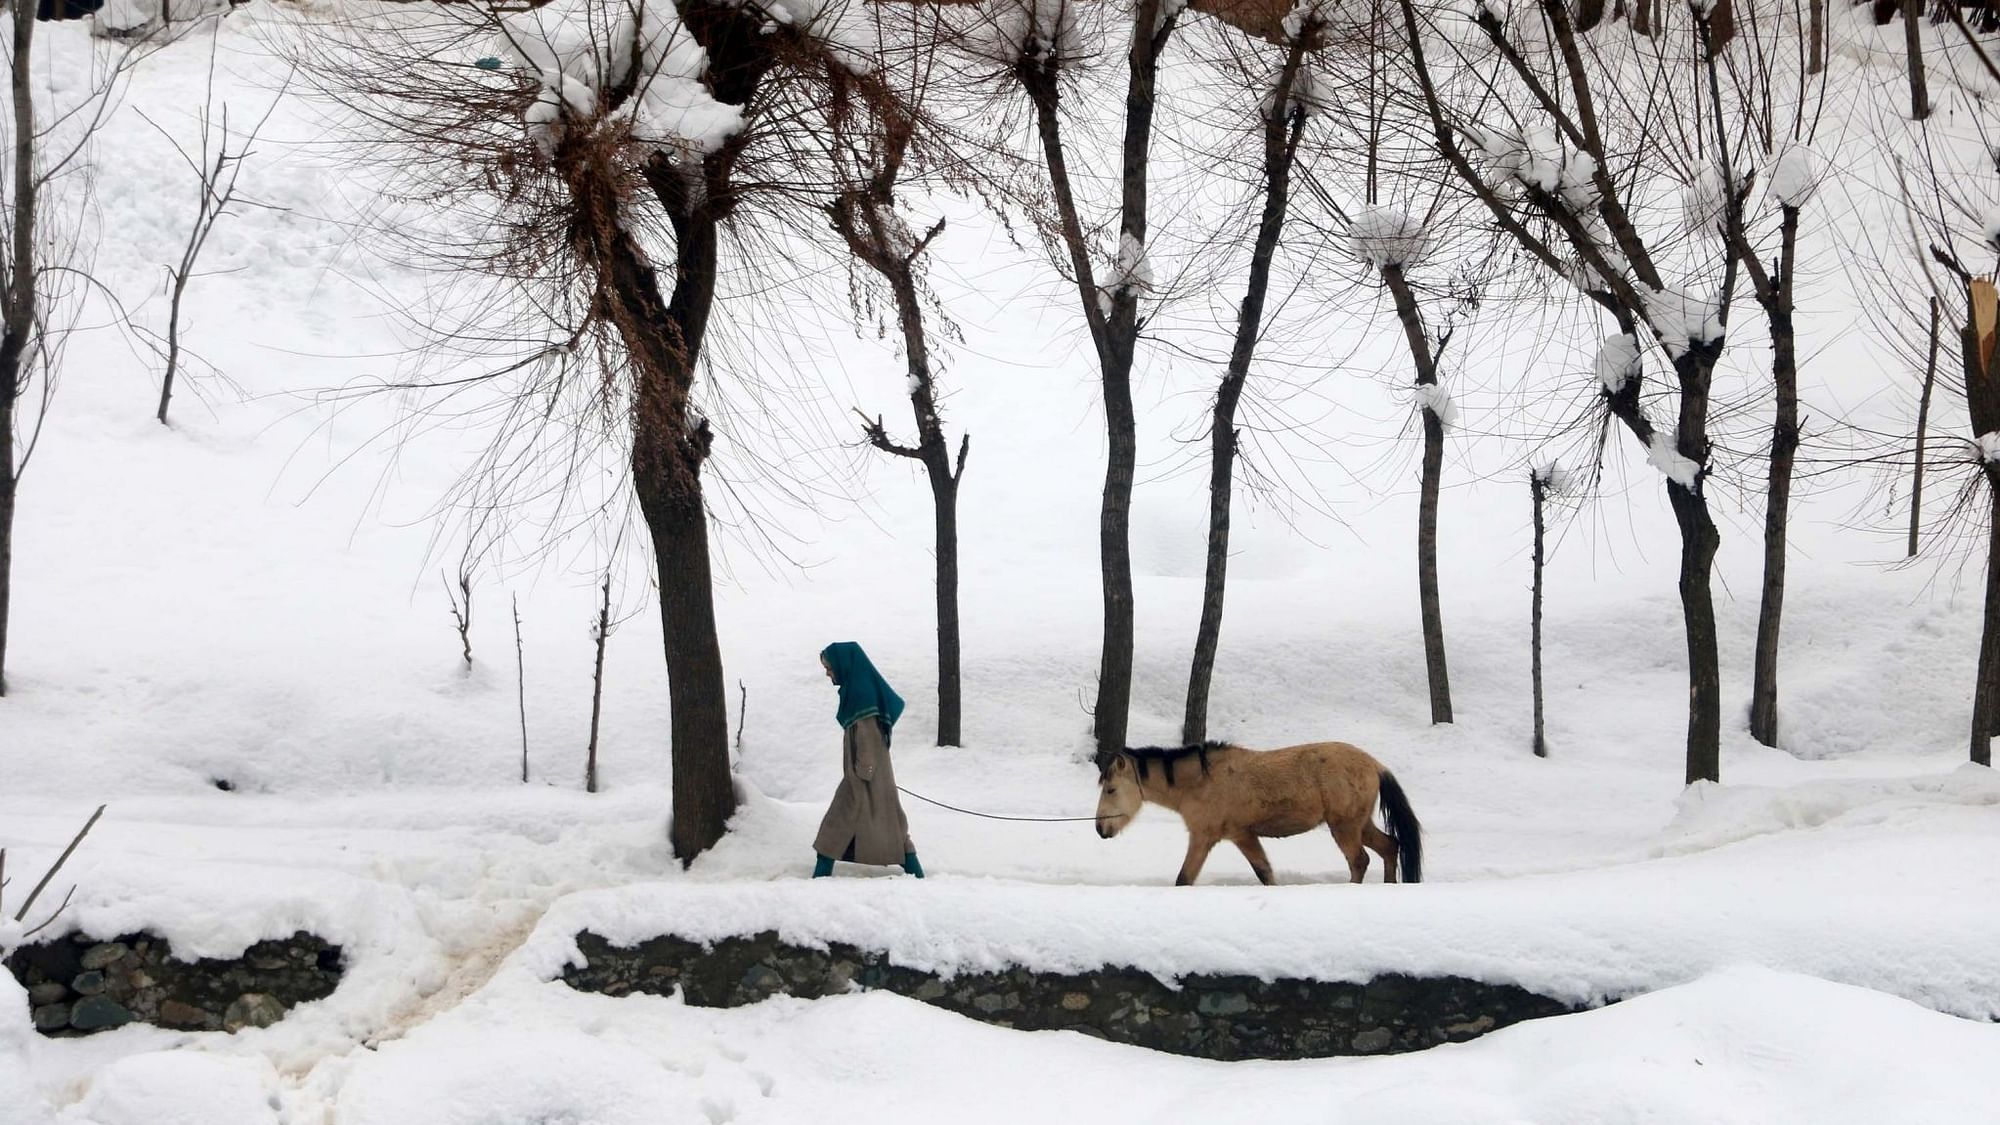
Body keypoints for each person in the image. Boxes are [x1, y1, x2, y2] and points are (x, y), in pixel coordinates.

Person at [811, 642, 924, 879]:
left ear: (844, 664)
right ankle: (915, 871)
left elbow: (868, 735)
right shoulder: (856, 689)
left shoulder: (861, 694)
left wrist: (864, 771)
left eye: (829, 667)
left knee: (838, 821)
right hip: (870, 775)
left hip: (863, 775)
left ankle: (820, 874)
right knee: (890, 821)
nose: (828, 673)